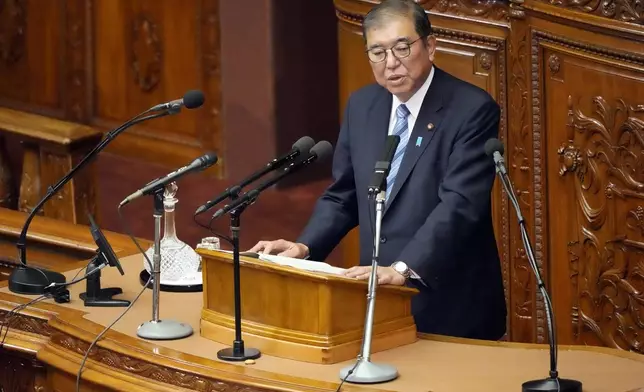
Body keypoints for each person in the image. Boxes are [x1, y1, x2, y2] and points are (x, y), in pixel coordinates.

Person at [249, 0, 507, 340]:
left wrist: (402, 268)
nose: (391, 64)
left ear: (430, 46)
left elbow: (459, 205)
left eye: (402, 48)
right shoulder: (363, 105)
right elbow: (344, 195)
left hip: (447, 297)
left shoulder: (471, 109)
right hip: (378, 297)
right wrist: (304, 248)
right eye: (377, 52)